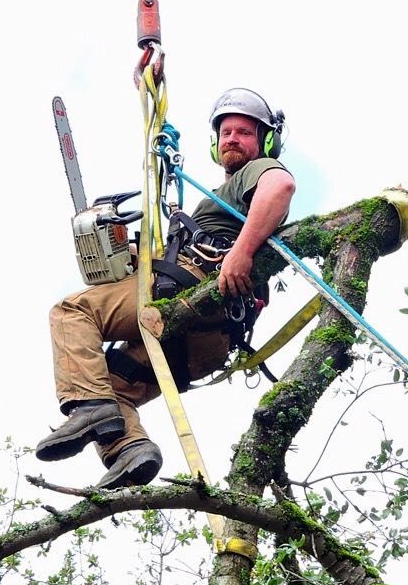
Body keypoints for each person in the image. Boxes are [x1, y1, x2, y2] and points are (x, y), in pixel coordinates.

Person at [37, 87, 296, 489]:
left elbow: (280, 186)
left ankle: (90, 408)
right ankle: (131, 450)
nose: (232, 139)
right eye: (225, 132)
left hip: (191, 292)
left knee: (73, 312)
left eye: (243, 132)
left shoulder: (256, 172)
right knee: (110, 386)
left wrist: (241, 253)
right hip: (204, 346)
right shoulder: (217, 198)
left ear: (264, 141)